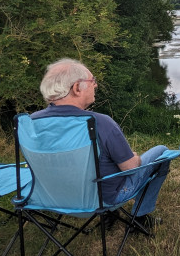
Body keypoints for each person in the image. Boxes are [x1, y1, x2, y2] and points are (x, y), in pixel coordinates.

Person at [32, 58, 171, 232]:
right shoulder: (100, 123)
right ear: (77, 88)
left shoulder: (30, 124)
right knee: (162, 152)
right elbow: (130, 167)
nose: (95, 85)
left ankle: (110, 217)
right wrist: (134, 157)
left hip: (52, 197)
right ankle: (140, 217)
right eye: (92, 81)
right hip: (101, 199)